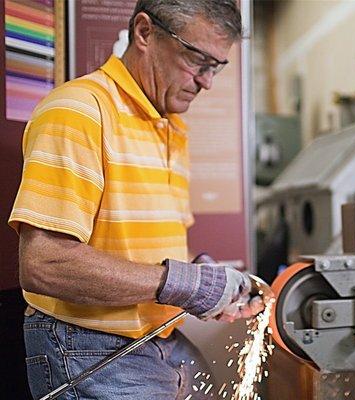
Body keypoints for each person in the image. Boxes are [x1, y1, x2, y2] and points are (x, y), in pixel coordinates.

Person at [8, 1, 263, 399]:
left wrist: (204, 277)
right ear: (144, 33)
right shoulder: (78, 111)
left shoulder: (171, 125)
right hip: (92, 348)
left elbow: (140, 248)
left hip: (159, 340)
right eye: (197, 60)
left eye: (216, 66)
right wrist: (185, 283)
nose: (207, 82)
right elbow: (44, 264)